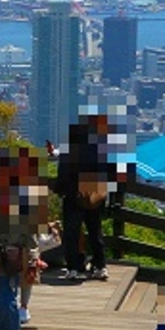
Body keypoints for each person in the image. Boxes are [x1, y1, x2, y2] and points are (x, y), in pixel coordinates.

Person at [55, 115, 110, 280]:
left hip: (74, 194)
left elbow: (64, 171)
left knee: (72, 233)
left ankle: (74, 268)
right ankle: (100, 265)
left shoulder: (70, 147)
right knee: (95, 231)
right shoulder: (101, 147)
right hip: (94, 194)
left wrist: (60, 189)